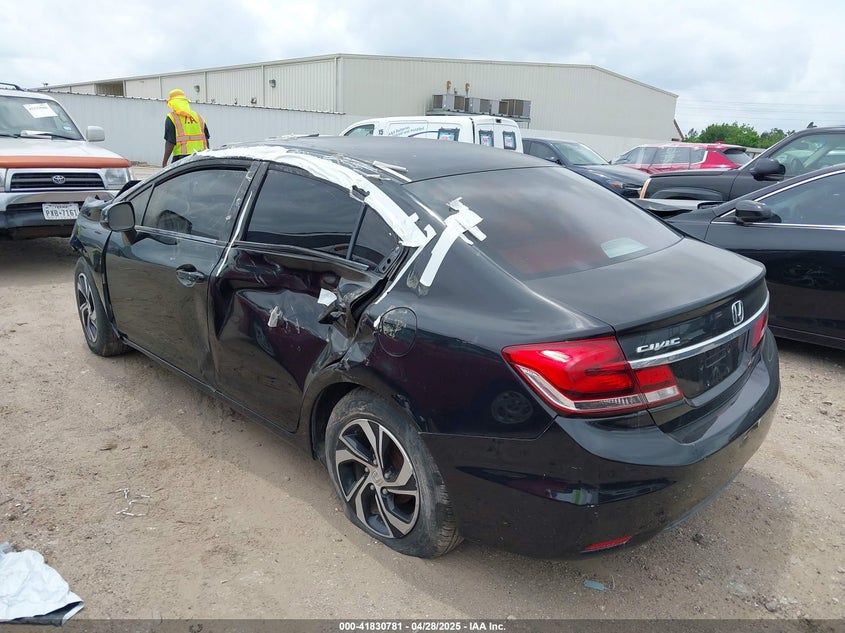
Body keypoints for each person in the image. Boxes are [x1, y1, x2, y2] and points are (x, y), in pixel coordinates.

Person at [161, 89, 210, 167]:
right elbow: (206, 138)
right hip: (200, 157)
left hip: (182, 159)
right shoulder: (198, 116)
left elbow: (170, 142)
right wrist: (208, 155)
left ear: (172, 103)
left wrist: (164, 162)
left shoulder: (172, 118)